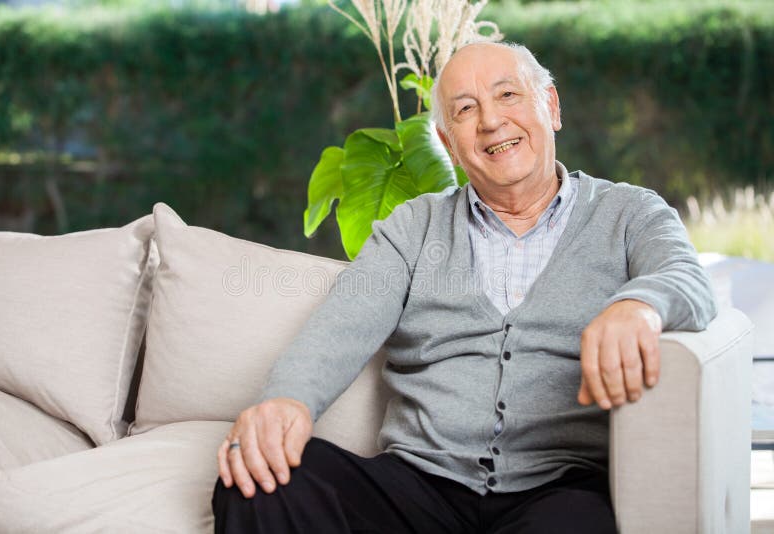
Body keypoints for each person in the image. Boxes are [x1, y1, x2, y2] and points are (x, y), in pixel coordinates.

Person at [211, 42, 716, 533]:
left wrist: (639, 305)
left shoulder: (629, 213)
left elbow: (686, 276)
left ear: (552, 107)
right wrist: (287, 401)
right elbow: (341, 324)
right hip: (416, 486)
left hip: (557, 489)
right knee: (259, 480)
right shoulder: (414, 226)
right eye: (466, 110)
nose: (492, 121)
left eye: (508, 96)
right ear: (449, 143)